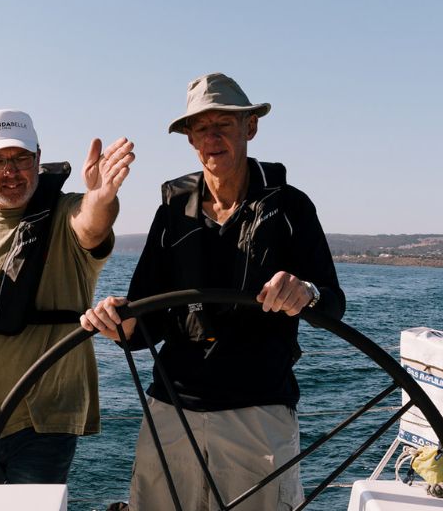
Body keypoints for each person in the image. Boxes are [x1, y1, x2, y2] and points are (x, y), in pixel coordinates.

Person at [81, 73, 345, 511]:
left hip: (257, 411)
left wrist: (306, 292)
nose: (212, 137)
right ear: (189, 139)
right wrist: (116, 320)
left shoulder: (291, 206)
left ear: (250, 128)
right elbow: (145, 320)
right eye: (201, 128)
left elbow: (332, 301)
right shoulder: (171, 211)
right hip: (172, 408)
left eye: (224, 124)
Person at [0, 109, 135, 485]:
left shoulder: (66, 214)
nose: (11, 171)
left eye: (22, 158)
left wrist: (101, 196)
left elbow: (91, 225)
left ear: (38, 158)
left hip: (46, 423)